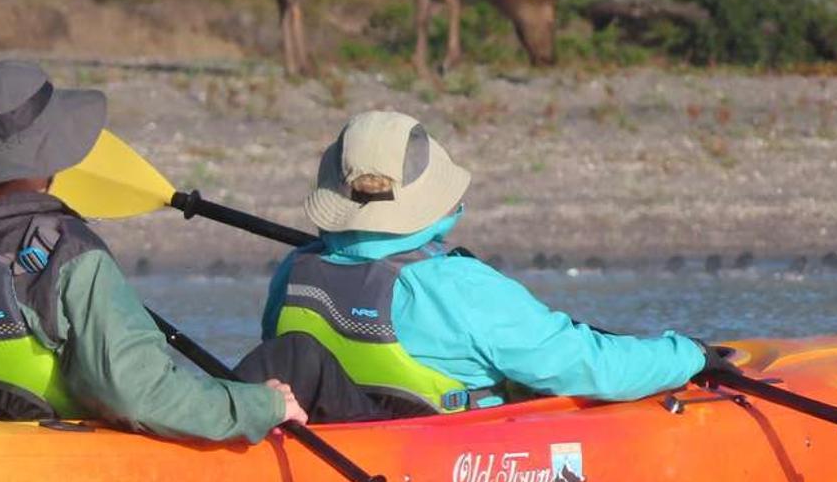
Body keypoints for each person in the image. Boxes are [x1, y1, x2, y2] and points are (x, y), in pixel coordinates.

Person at [0, 60, 305, 441]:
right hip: (54, 451)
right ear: (46, 152)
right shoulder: (71, 251)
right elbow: (137, 395)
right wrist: (260, 406)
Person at [240, 110, 734, 422]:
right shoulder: (457, 285)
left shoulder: (296, 269)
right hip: (435, 468)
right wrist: (687, 355)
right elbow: (589, 367)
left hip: (338, 432)